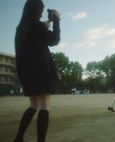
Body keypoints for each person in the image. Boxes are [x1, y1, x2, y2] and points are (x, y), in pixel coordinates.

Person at [14, 0, 60, 142]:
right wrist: (57, 21)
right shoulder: (38, 27)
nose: (42, 12)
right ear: (37, 10)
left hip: (27, 74)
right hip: (42, 72)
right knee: (44, 106)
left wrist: (46, 25)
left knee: (33, 105)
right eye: (41, 9)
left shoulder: (21, 28)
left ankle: (19, 138)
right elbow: (54, 40)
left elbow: (34, 40)